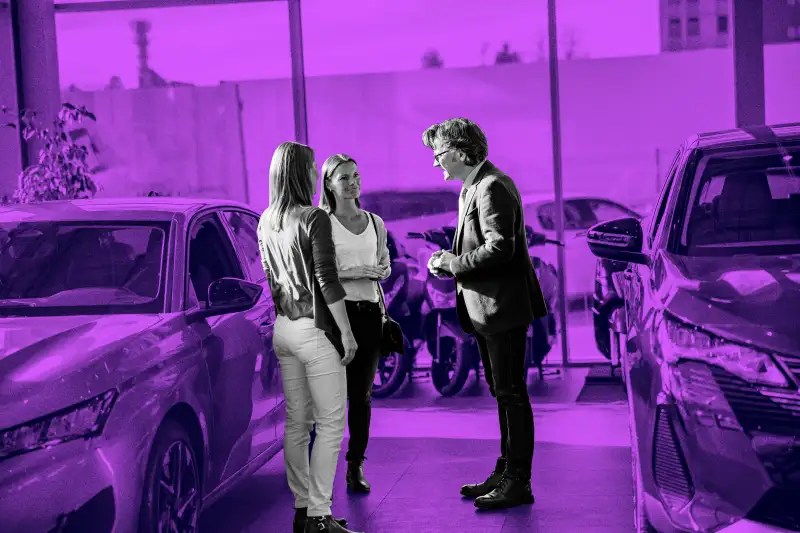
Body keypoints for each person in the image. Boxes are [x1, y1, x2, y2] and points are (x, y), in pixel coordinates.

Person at [422, 118, 548, 510]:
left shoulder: (492, 186)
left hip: (502, 309)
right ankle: (506, 471)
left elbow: (500, 248)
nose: (436, 163)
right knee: (503, 393)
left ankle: (517, 481)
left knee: (511, 394)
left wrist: (453, 263)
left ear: (459, 152)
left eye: (439, 154)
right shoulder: (473, 186)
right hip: (489, 310)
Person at [257, 142, 363, 533]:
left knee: (297, 424)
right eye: (312, 167)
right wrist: (347, 333)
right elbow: (326, 279)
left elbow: (270, 279)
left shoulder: (266, 219)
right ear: (301, 173)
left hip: (283, 329)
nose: (317, 172)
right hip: (315, 332)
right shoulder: (314, 217)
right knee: (332, 424)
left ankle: (303, 511)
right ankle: (320, 516)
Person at [319, 154, 391, 493]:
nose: (352, 183)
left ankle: (355, 465)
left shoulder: (376, 222)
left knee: (361, 397)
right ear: (329, 183)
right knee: (330, 398)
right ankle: (321, 469)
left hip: (370, 315)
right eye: (344, 177)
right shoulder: (323, 223)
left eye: (356, 175)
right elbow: (321, 275)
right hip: (336, 317)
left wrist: (380, 271)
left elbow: (384, 264)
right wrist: (358, 272)